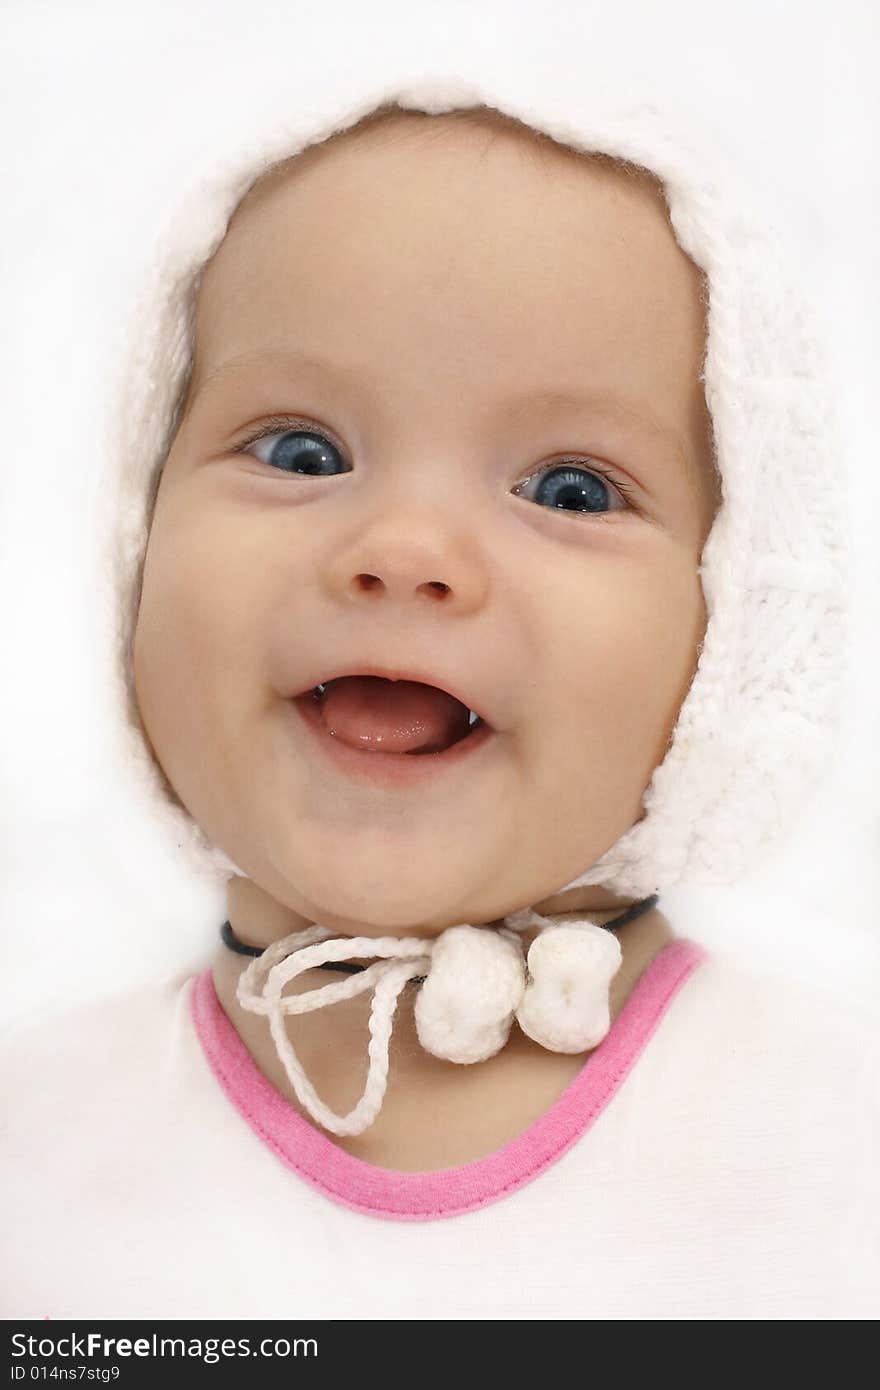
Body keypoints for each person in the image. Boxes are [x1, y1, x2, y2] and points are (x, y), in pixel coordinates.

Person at [2, 83, 874, 1321]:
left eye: (570, 488)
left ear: (737, 621)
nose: (405, 546)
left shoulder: (839, 1148)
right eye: (301, 452)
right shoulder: (31, 1151)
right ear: (136, 540)